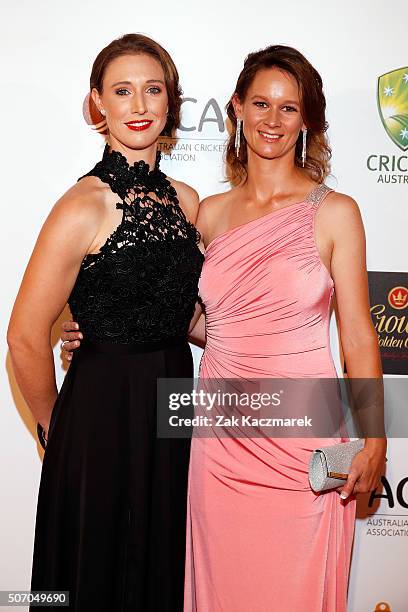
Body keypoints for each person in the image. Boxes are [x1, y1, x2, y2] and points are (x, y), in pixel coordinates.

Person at [61, 45, 387, 611]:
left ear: (307, 120)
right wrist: (98, 321)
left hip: (303, 437)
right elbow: (184, 312)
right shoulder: (206, 213)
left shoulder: (337, 212)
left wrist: (376, 439)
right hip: (222, 440)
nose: (272, 120)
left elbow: (358, 335)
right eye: (260, 103)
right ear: (236, 109)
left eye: (289, 108)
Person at [7, 33, 204, 611]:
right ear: (99, 103)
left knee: (160, 559)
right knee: (96, 565)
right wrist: (53, 429)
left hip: (173, 395)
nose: (139, 106)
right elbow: (23, 336)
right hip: (99, 409)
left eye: (152, 90)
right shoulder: (81, 205)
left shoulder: (189, 202)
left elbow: (189, 315)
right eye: (122, 91)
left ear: (171, 103)